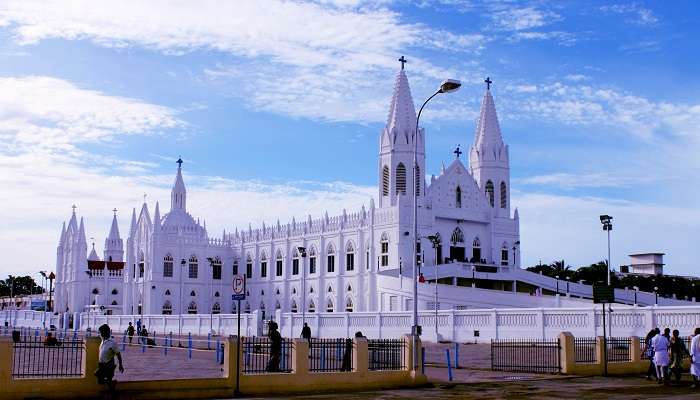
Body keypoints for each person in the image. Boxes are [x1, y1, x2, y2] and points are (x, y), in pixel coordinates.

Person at [94, 324, 124, 391]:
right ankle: (112, 384)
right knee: (101, 381)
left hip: (108, 364)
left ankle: (111, 386)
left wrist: (120, 365)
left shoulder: (112, 342)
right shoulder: (103, 339)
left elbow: (118, 354)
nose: (100, 334)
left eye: (101, 332)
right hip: (101, 364)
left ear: (105, 333)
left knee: (98, 375)